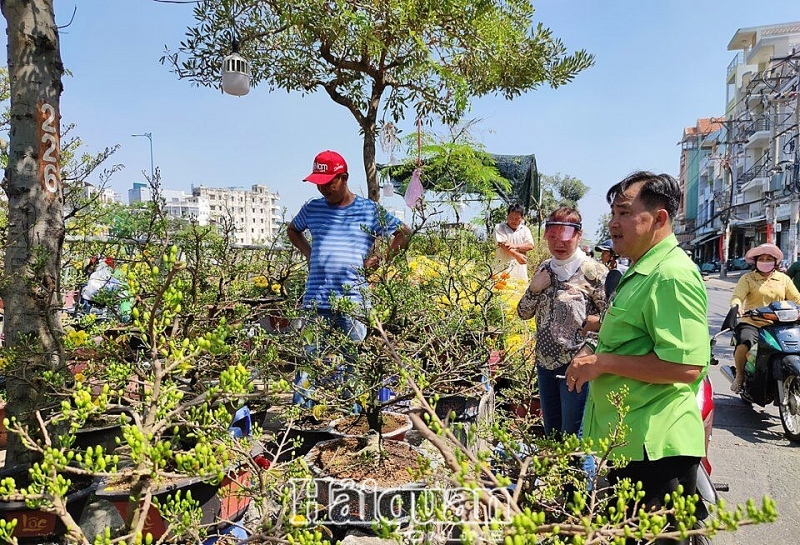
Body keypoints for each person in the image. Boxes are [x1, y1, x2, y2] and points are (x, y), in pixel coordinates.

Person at [566, 171, 709, 527]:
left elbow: (687, 366)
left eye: (624, 213)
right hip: (629, 441)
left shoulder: (671, 274)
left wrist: (603, 362)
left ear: (659, 219)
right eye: (613, 214)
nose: (613, 223)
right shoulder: (641, 270)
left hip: (656, 451)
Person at [287, 150, 411, 342]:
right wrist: (308, 253)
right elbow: (293, 230)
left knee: (352, 364)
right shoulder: (312, 208)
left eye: (328, 183)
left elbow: (404, 233)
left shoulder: (368, 210)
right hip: (315, 301)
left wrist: (381, 260)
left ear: (343, 178)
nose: (323, 188)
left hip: (353, 303)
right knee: (310, 364)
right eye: (319, 183)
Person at [516, 206, 607, 439]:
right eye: (553, 237)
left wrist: (590, 348)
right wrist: (534, 289)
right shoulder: (545, 268)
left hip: (576, 366)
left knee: (573, 436)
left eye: (565, 237)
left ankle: (576, 476)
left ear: (578, 235)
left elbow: (613, 321)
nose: (559, 243)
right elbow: (523, 313)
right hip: (545, 363)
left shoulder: (593, 272)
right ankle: (552, 476)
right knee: (551, 432)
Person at [729, 243, 800, 393]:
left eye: (769, 258)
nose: (765, 261)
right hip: (753, 322)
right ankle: (740, 376)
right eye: (762, 258)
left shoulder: (784, 279)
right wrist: (737, 306)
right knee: (744, 343)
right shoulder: (747, 278)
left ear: (775, 262)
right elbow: (737, 297)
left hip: (780, 322)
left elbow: (796, 298)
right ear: (755, 261)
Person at [493, 203, 534, 281]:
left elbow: (530, 245)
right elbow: (502, 245)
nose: (514, 221)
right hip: (502, 269)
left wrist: (515, 246)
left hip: (520, 270)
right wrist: (517, 255)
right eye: (511, 218)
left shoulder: (525, 230)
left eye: (517, 218)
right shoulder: (499, 227)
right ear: (507, 216)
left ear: (522, 218)